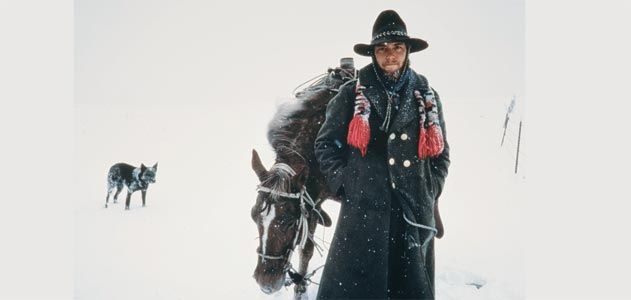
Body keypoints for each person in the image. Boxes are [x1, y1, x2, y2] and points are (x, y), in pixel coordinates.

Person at [314, 10, 450, 300]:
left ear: (407, 51)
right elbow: (325, 144)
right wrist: (345, 183)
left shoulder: (426, 96)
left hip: (412, 210)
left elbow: (442, 153)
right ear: (373, 54)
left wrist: (431, 187)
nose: (390, 55)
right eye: (383, 49)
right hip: (364, 209)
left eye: (397, 48)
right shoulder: (352, 94)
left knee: (408, 288)